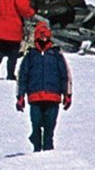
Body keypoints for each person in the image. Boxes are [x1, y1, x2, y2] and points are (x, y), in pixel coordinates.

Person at [15, 21, 73, 152]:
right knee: (36, 125)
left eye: (46, 35)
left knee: (49, 128)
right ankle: (36, 147)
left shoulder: (56, 55)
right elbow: (22, 76)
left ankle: (48, 151)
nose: (44, 38)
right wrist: (20, 96)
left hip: (53, 96)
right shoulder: (30, 55)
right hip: (35, 97)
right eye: (41, 35)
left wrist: (67, 95)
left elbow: (65, 75)